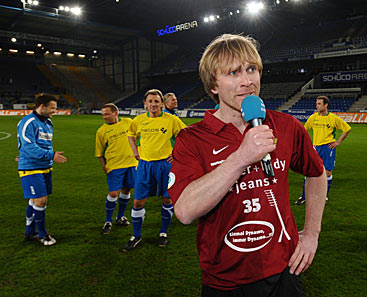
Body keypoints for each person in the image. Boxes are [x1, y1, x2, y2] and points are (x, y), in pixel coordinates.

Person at [168, 34, 327, 296]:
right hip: (226, 281)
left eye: (251, 69)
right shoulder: (191, 139)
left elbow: (317, 174)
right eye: (233, 72)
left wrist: (311, 233)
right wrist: (241, 157)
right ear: (214, 85)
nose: (247, 82)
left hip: (284, 272)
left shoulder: (286, 126)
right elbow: (185, 211)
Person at [123, 89, 186, 251]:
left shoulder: (171, 119)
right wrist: (135, 151)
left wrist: (176, 153)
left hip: (165, 165)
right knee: (138, 201)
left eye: (156, 101)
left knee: (167, 199)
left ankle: (163, 232)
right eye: (150, 101)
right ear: (145, 104)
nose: (153, 104)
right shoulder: (138, 120)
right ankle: (136, 235)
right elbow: (131, 135)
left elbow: (185, 135)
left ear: (162, 104)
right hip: (145, 165)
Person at [17, 94, 67, 246]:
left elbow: (44, 145)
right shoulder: (28, 122)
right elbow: (28, 145)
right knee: (40, 200)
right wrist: (51, 155)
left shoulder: (49, 123)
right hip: (31, 167)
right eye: (52, 108)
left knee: (35, 200)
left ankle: (29, 232)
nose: (55, 111)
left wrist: (49, 155)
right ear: (42, 106)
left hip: (44, 166)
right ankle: (42, 234)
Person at [295, 95, 351, 205]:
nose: (317, 106)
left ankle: (324, 196)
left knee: (328, 172)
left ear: (326, 105)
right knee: (309, 171)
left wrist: (338, 142)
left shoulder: (333, 118)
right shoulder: (313, 117)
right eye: (316, 104)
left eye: (319, 104)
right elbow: (304, 131)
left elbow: (347, 129)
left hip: (328, 147)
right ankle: (304, 196)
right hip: (315, 148)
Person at [95, 103, 138, 234]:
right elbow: (99, 154)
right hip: (114, 166)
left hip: (131, 164)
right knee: (114, 193)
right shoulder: (101, 131)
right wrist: (105, 168)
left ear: (116, 113)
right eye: (103, 115)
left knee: (126, 190)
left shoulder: (128, 122)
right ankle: (108, 220)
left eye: (107, 114)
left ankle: (120, 217)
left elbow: (139, 136)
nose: (104, 117)